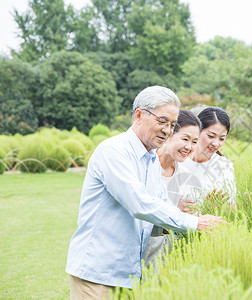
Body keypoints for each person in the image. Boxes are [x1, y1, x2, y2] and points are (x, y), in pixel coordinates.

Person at [66, 86, 223, 299]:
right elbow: (140, 205)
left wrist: (196, 226)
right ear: (139, 115)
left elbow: (158, 211)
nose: (168, 130)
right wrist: (195, 223)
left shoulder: (150, 160)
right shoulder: (114, 151)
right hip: (98, 276)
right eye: (162, 121)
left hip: (128, 276)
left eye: (172, 124)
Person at [143, 110, 202, 268]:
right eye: (185, 139)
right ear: (169, 133)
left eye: (195, 142)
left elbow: (190, 217)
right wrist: (175, 211)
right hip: (137, 254)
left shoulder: (186, 175)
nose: (189, 147)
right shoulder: (145, 165)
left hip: (167, 260)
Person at [180, 107, 237, 208]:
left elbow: (232, 206)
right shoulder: (178, 160)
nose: (216, 143)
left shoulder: (224, 166)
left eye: (222, 138)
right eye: (210, 136)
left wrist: (210, 208)